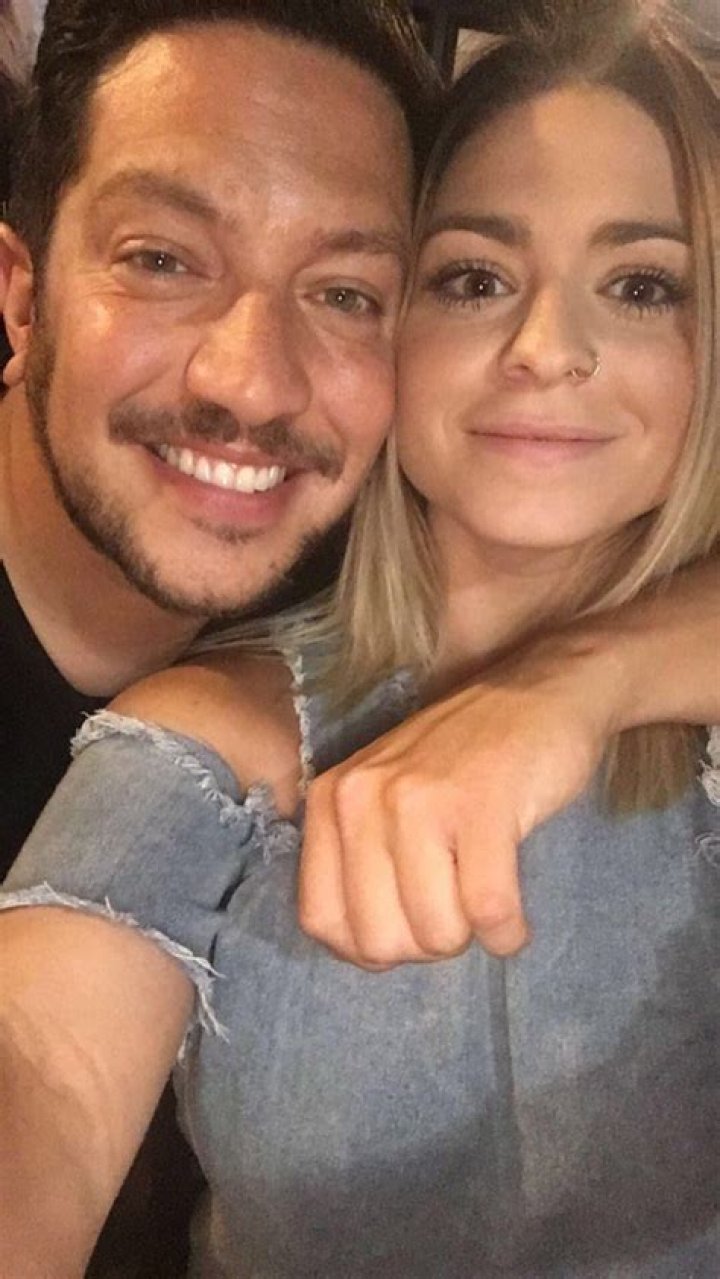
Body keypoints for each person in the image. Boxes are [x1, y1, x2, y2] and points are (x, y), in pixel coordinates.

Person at [1, 0, 718, 1273]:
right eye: (475, 278)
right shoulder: (212, 731)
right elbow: (46, 1067)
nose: (547, 349)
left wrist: (581, 686)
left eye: (644, 285)